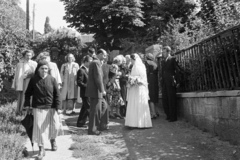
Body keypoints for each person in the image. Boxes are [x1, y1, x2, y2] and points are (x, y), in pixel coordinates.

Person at [24, 60, 61, 160]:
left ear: (48, 69)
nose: (44, 70)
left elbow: (57, 94)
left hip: (52, 107)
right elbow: (27, 94)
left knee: (56, 126)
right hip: (38, 107)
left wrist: (59, 107)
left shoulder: (52, 79)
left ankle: (53, 140)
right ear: (38, 69)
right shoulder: (33, 80)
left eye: (46, 68)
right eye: (42, 68)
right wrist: (27, 105)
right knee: (40, 128)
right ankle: (41, 149)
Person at [125, 53, 152, 128]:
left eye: (131, 59)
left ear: (135, 59)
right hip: (134, 88)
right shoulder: (133, 66)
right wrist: (130, 79)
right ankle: (133, 123)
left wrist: (134, 79)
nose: (131, 61)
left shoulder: (140, 66)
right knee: (134, 104)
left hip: (139, 88)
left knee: (139, 104)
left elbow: (142, 78)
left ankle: (141, 123)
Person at [85, 49, 108, 135]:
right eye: (104, 55)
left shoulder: (95, 62)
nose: (105, 57)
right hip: (96, 90)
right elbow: (98, 78)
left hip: (95, 90)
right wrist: (102, 90)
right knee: (95, 110)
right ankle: (92, 130)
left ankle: (101, 126)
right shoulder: (96, 62)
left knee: (104, 106)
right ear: (100, 54)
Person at [12, 49, 37, 114]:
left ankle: (29, 112)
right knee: (22, 95)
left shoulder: (34, 63)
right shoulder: (20, 64)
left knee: (30, 95)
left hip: (31, 81)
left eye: (30, 55)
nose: (28, 57)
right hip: (22, 82)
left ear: (32, 56)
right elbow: (17, 75)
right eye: (27, 55)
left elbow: (37, 73)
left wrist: (31, 74)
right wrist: (15, 84)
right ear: (24, 55)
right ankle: (21, 111)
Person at [161, 46, 179, 122]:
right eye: (162, 52)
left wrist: (177, 81)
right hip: (164, 82)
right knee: (165, 99)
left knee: (171, 99)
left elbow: (177, 70)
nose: (163, 53)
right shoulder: (162, 61)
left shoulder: (173, 59)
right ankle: (168, 115)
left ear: (168, 52)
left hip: (171, 82)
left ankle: (173, 117)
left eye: (164, 52)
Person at [76, 55, 92, 127]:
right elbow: (79, 82)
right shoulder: (81, 70)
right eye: (90, 62)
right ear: (86, 62)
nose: (91, 64)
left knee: (84, 108)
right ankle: (92, 123)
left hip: (88, 92)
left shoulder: (87, 70)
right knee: (89, 108)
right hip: (85, 92)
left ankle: (80, 122)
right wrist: (88, 86)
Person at [145, 53, 159, 119]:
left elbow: (146, 72)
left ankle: (153, 113)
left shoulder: (147, 63)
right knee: (155, 95)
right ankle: (156, 111)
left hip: (149, 80)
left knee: (150, 96)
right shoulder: (155, 63)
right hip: (155, 80)